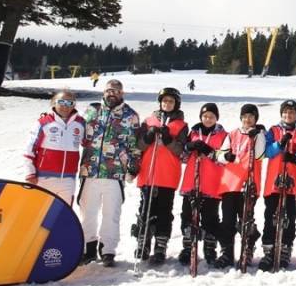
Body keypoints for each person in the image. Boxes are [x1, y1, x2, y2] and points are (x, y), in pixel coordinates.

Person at [78, 79, 141, 267]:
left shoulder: (130, 115)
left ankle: (108, 250)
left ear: (122, 93)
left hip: (114, 172)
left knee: (111, 213)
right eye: (108, 90)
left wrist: (133, 166)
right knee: (87, 212)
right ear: (103, 92)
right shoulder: (92, 110)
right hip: (90, 170)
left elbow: (134, 144)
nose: (111, 93)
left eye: (116, 90)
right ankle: (88, 248)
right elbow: (77, 131)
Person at [133, 88, 189, 265]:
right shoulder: (149, 121)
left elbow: (181, 151)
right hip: (148, 173)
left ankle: (160, 246)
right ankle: (143, 243)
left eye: (170, 101)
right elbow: (139, 146)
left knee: (164, 212)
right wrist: (148, 137)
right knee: (145, 210)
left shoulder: (181, 125)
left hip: (167, 174)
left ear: (176, 104)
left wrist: (168, 139)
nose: (167, 104)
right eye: (164, 101)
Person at [258, 100, 296, 271]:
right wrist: (279, 144)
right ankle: (268, 251)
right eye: (285, 112)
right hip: (274, 179)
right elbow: (267, 152)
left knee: (290, 217)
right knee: (270, 215)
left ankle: (285, 250)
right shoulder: (274, 130)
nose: (288, 115)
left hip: (293, 180)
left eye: (292, 112)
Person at [178, 102, 227, 267]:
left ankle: (209, 248)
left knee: (210, 218)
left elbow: (224, 159)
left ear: (216, 118)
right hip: (191, 181)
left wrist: (208, 151)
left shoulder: (223, 135)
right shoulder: (193, 132)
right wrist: (189, 146)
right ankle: (187, 247)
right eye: (205, 116)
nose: (208, 119)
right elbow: (183, 157)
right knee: (187, 216)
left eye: (211, 117)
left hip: (212, 183)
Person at [217, 103, 266, 270]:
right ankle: (227, 253)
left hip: (249, 183)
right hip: (230, 183)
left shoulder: (259, 134)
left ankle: (247, 248)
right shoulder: (232, 134)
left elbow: (259, 155)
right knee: (228, 221)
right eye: (245, 116)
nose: (248, 119)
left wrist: (257, 136)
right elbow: (220, 155)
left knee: (246, 220)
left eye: (251, 116)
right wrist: (226, 156)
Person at [24, 90, 86, 203]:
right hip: (43, 178)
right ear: (53, 102)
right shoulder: (44, 122)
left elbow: (89, 143)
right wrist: (30, 172)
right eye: (61, 102)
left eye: (70, 103)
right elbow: (29, 149)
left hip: (68, 179)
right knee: (40, 214)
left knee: (63, 213)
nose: (65, 106)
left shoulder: (81, 123)